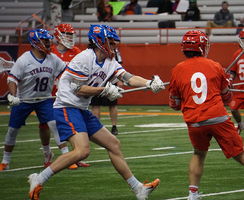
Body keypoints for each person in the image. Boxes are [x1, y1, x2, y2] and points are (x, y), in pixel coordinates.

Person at [28, 24, 165, 200]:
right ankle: (39, 179)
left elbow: (128, 78)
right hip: (67, 107)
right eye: (111, 42)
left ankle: (138, 188)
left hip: (81, 109)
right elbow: (77, 89)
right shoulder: (84, 58)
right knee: (82, 151)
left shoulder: (110, 62)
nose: (114, 46)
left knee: (113, 144)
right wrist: (104, 90)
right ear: (99, 41)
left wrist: (149, 83)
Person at [168, 29, 244, 200]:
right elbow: (227, 97)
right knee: (241, 154)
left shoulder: (177, 70)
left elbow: (174, 104)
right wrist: (225, 80)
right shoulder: (215, 66)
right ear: (203, 46)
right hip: (218, 117)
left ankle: (192, 195)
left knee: (198, 154)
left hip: (195, 122)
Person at [0, 29, 67, 171]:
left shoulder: (53, 58)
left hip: (45, 98)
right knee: (13, 130)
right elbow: (12, 79)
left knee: (54, 124)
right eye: (45, 40)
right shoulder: (24, 59)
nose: (49, 43)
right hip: (25, 99)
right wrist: (13, 96)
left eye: (48, 40)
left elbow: (66, 73)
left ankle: (65, 156)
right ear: (36, 42)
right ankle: (5, 160)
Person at [38, 23, 90, 169]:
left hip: (69, 95)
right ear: (58, 36)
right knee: (45, 125)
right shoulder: (50, 52)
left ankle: (73, 156)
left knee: (73, 126)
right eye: (67, 35)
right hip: (50, 94)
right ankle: (48, 153)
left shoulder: (77, 52)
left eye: (71, 35)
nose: (69, 38)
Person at [90, 47, 123, 136]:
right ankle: (95, 126)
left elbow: (119, 63)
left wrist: (119, 80)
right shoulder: (90, 52)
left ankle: (114, 126)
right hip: (96, 79)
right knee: (95, 104)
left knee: (112, 104)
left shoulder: (114, 49)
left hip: (110, 79)